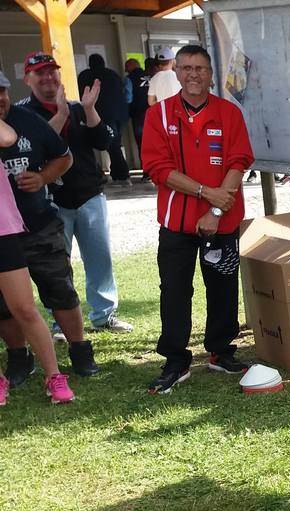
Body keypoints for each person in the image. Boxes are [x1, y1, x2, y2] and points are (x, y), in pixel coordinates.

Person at [140, 44, 254, 394]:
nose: (193, 74)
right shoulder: (158, 115)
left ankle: (221, 351)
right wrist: (206, 194)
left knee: (223, 286)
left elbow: (239, 161)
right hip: (176, 222)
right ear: (175, 72)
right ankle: (176, 360)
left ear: (210, 74)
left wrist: (216, 210)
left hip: (222, 220)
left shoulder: (229, 113)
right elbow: (159, 169)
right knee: (175, 290)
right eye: (186, 67)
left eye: (200, 68)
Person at [0, 65, 100, 384]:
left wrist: (42, 177)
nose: (0, 98)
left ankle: (80, 350)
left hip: (38, 224)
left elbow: (64, 157)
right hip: (2, 234)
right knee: (4, 305)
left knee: (60, 290)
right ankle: (19, 357)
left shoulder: (27, 120)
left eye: (2, 91)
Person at [20, 52, 132, 335]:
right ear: (27, 79)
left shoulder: (78, 107)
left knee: (100, 259)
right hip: (52, 200)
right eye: (40, 73)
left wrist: (90, 109)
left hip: (89, 194)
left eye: (52, 71)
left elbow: (104, 141)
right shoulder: (22, 115)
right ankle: (61, 321)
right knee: (58, 265)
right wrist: (60, 116)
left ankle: (104, 315)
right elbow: (36, 151)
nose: (48, 78)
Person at [0, 73, 75, 405]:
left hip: (3, 228)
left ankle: (54, 376)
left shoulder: (9, 125)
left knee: (24, 308)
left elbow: (7, 137)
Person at [78, 54, 129, 185]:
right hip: (119, 114)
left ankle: (120, 174)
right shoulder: (112, 74)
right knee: (115, 144)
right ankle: (119, 173)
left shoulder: (85, 76)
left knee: (109, 145)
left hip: (101, 115)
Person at [125, 58, 151, 157]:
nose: (125, 70)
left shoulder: (129, 78)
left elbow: (128, 98)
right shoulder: (150, 76)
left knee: (142, 143)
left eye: (127, 67)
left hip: (138, 114)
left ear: (131, 66)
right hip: (153, 113)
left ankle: (145, 164)